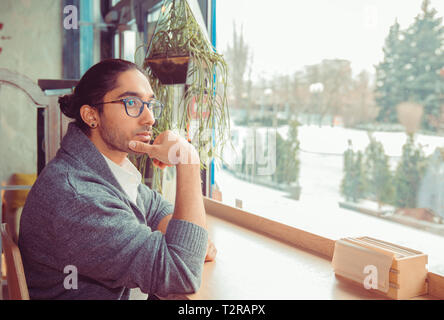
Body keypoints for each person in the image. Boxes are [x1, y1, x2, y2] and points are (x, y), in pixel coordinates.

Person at [18, 58, 216, 300]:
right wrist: (187, 159)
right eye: (131, 103)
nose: (149, 119)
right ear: (92, 115)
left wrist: (186, 246)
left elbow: (156, 210)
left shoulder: (100, 170)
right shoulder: (76, 196)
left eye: (149, 104)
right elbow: (181, 275)